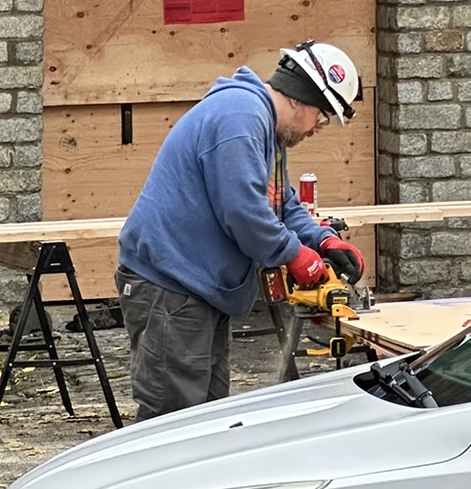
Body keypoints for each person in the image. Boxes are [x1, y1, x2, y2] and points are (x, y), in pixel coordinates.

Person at [115, 40, 367, 419]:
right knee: (171, 424)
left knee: (208, 419)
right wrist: (296, 255)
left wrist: (323, 240)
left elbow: (280, 204)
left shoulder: (265, 128)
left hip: (198, 289)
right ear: (299, 97)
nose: (318, 128)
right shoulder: (240, 117)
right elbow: (243, 213)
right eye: (323, 115)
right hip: (171, 287)